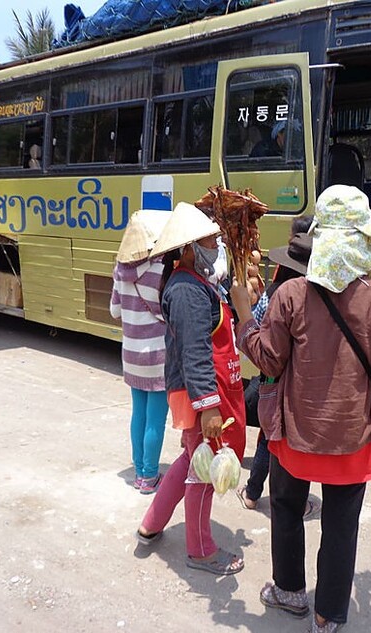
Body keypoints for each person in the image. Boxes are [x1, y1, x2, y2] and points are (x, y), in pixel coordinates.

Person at [230, 185, 371, 633]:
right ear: (363, 242)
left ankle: (289, 591)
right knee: (341, 527)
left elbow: (267, 360)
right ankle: (329, 616)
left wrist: (243, 314)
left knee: (287, 509)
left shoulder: (291, 294)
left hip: (295, 433)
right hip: (353, 436)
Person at [135, 202, 247, 576]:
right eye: (210, 240)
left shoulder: (197, 284)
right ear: (187, 248)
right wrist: (209, 406)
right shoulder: (185, 290)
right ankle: (200, 551)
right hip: (201, 392)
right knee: (203, 468)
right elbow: (195, 351)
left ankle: (152, 522)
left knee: (189, 458)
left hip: (204, 390)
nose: (217, 246)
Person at [238, 216, 314, 512]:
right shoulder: (316, 298)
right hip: (299, 385)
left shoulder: (273, 292)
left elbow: (255, 325)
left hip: (270, 378)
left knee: (267, 437)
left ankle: (252, 493)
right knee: (294, 443)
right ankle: (297, 501)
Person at [109, 211, 169, 495]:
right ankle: (149, 475)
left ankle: (139, 468)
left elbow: (114, 311)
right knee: (156, 416)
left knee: (139, 413)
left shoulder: (120, 269)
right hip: (157, 355)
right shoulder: (160, 271)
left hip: (131, 354)